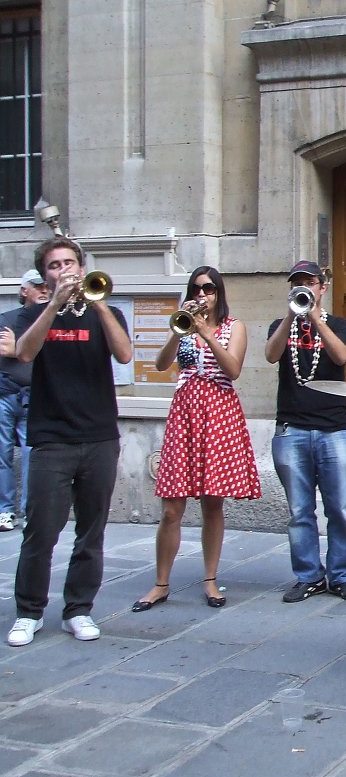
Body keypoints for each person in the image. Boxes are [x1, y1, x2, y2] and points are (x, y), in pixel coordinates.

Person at [6, 237, 132, 647]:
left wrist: (96, 303)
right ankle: (29, 612)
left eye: (69, 263)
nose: (63, 270)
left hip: (98, 436)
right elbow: (25, 354)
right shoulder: (31, 314)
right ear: (45, 275)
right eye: (55, 266)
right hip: (51, 439)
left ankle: (79, 609)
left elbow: (125, 354)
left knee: (91, 532)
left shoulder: (106, 311)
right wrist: (52, 306)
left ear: (82, 266)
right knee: (41, 531)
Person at [132, 267, 261, 612]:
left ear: (220, 292)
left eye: (209, 288)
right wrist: (180, 332)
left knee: (212, 502)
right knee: (172, 506)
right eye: (196, 288)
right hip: (185, 413)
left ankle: (210, 578)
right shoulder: (184, 325)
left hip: (218, 414)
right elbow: (161, 365)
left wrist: (207, 333)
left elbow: (232, 370)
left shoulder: (235, 327)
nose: (202, 293)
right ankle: (160, 584)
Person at [266, 261, 346, 603]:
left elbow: (341, 356)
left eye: (309, 282)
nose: (303, 287)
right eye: (297, 283)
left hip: (333, 430)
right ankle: (308, 576)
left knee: (339, 508)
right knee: (299, 511)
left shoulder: (337, 324)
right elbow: (270, 355)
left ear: (323, 287)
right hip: (292, 429)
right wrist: (293, 316)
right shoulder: (281, 325)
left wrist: (317, 320)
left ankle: (342, 575)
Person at [0, 270, 50, 532]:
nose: (44, 290)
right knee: (2, 455)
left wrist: (17, 348)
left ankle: (31, 512)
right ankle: (4, 511)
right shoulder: (8, 319)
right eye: (37, 286)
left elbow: (18, 351)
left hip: (34, 395)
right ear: (24, 291)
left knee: (34, 455)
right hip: (6, 393)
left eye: (46, 286)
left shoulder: (53, 320)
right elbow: (5, 351)